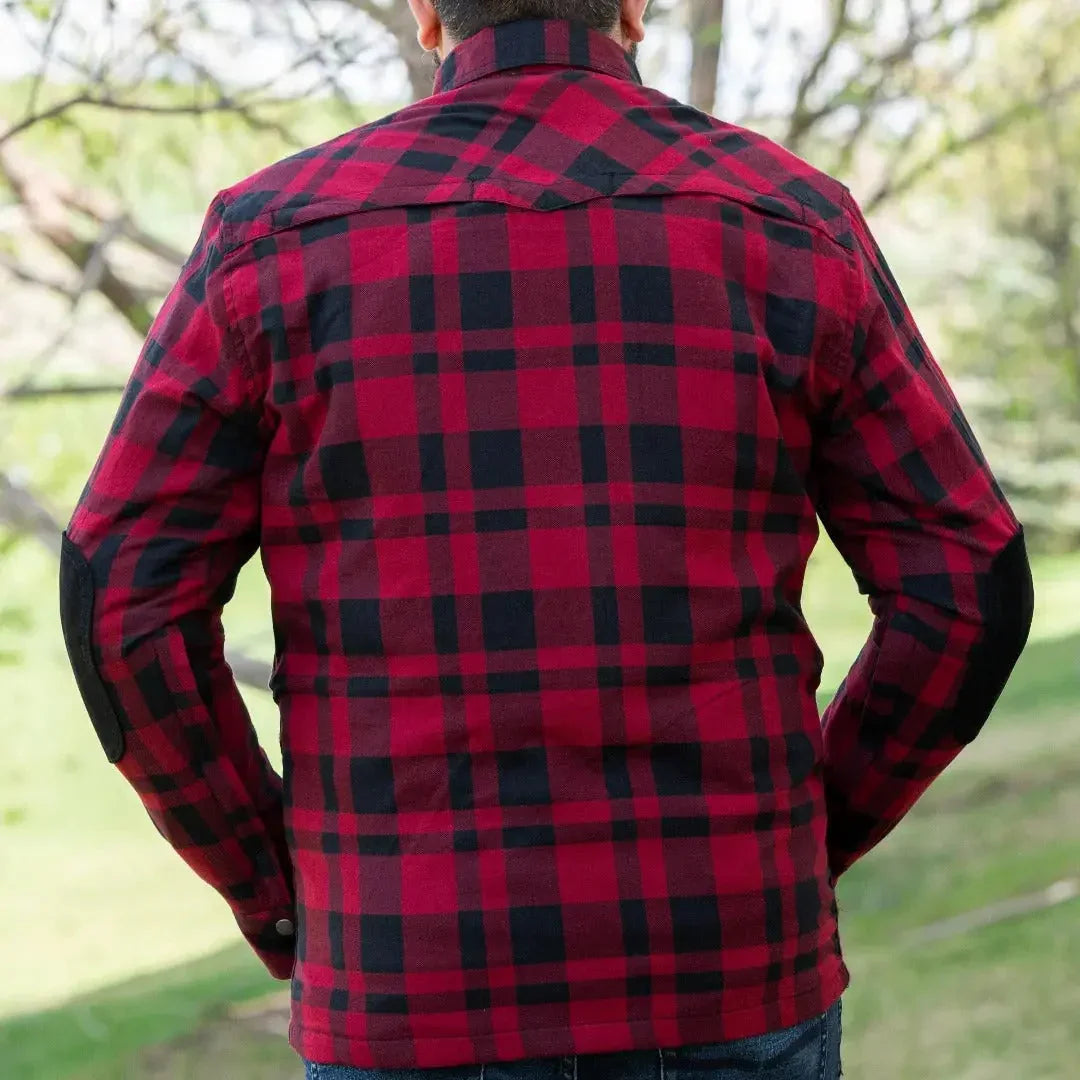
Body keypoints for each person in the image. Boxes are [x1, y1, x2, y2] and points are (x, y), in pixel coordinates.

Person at [58, 1, 1035, 1078]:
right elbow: (966, 584)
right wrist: (800, 838)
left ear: (428, 14)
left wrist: (273, 887)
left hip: (404, 974)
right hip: (729, 955)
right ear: (634, 7)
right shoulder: (792, 223)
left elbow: (120, 604)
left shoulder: (272, 240)